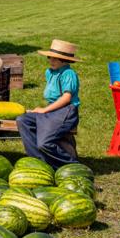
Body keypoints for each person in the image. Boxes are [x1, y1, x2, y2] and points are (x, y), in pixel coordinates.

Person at [16, 39, 81, 168]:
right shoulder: (50, 72)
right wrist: (45, 110)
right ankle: (40, 161)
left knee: (44, 143)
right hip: (53, 111)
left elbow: (66, 98)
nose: (51, 60)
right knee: (23, 120)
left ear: (65, 60)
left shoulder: (68, 74)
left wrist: (44, 110)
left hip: (66, 111)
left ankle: (72, 166)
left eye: (55, 59)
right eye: (50, 57)